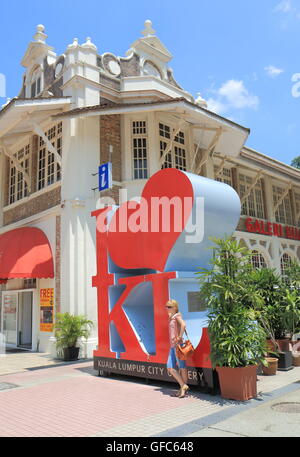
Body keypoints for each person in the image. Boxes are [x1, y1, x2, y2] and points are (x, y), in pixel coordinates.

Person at [166, 299, 189, 398]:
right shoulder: (172, 317)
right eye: (166, 307)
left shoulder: (177, 316)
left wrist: (179, 337)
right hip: (173, 347)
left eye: (169, 307)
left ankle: (182, 390)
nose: (167, 308)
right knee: (170, 367)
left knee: (182, 368)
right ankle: (183, 386)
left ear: (175, 307)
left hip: (178, 346)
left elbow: (183, 325)